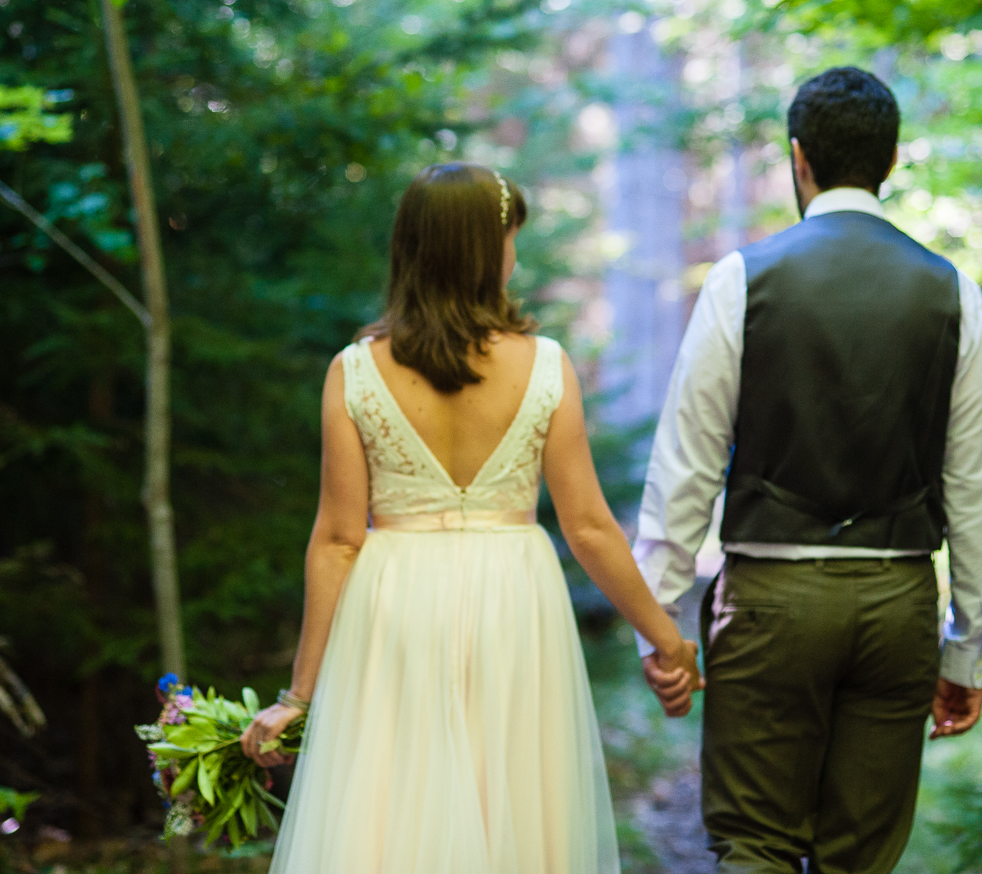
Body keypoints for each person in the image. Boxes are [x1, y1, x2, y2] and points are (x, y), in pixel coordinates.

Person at [236, 162, 701, 874]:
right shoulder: (546, 367)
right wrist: (667, 641)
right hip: (515, 605)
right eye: (511, 238)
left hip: (393, 607)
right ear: (489, 250)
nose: (515, 254)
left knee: (391, 817)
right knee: (510, 809)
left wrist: (299, 696)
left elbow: (337, 540)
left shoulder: (354, 372)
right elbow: (589, 529)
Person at [633, 67, 982, 874]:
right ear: (893, 158)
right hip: (896, 605)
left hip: (770, 604)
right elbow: (974, 488)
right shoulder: (952, 293)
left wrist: (660, 626)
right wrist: (966, 650)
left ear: (797, 157)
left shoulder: (743, 279)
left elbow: (687, 464)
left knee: (757, 845)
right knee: (859, 860)